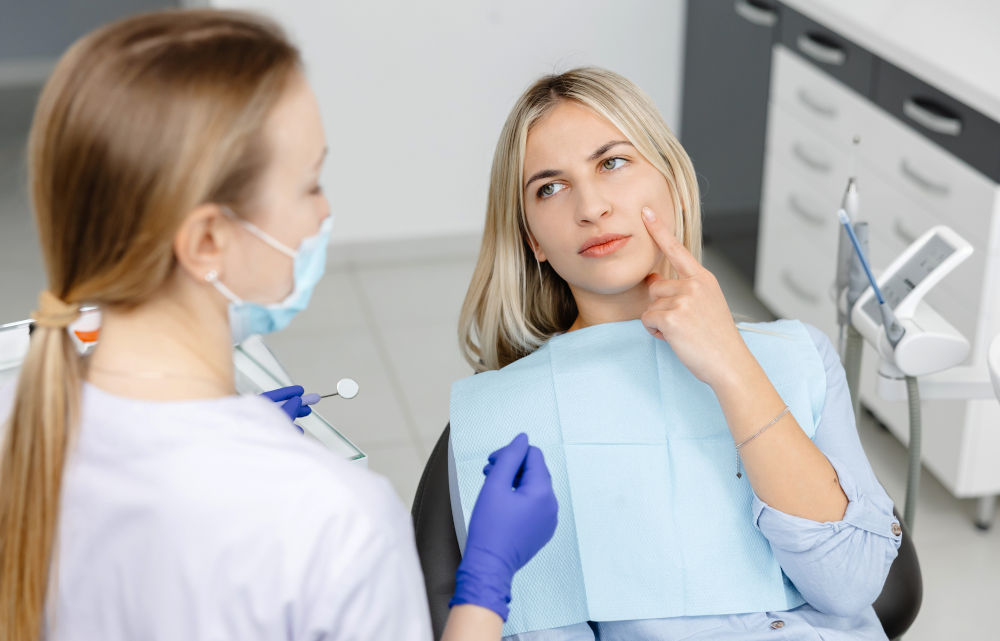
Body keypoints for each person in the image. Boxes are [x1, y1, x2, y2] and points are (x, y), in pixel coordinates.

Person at [0, 10, 556, 641]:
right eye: (310, 183)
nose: (324, 212)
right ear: (207, 240)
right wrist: (486, 578)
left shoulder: (25, 415)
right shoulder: (332, 517)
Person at [456, 67, 902, 640]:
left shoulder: (799, 357)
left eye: (612, 162)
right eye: (550, 186)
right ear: (533, 239)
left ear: (672, 180)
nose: (591, 207)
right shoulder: (511, 413)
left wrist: (734, 368)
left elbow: (850, 585)